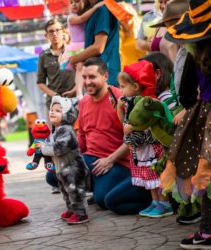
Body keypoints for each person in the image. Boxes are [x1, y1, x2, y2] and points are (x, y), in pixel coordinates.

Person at [157, 0, 211, 246]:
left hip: (207, 114)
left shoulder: (194, 52)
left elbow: (186, 91)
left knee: (206, 172)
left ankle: (208, 231)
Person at [78, 57, 151, 214]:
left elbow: (134, 136)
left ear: (105, 76)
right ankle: (99, 184)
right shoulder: (83, 103)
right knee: (55, 173)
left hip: (119, 163)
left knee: (103, 199)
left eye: (92, 77)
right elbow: (82, 140)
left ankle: (145, 195)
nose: (87, 82)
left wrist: (110, 160)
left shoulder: (121, 98)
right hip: (92, 160)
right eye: (84, 77)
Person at [117, 60, 173, 217]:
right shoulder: (130, 103)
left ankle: (164, 203)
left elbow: (149, 125)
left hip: (151, 147)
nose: (120, 90)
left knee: (155, 174)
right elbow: (124, 124)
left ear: (135, 87)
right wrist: (118, 109)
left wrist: (133, 128)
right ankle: (155, 202)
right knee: (146, 175)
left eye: (122, 86)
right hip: (140, 148)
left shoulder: (149, 103)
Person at [37, 18, 76, 194]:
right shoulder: (44, 56)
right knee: (56, 140)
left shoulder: (73, 50)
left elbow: (80, 72)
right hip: (54, 104)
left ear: (63, 31)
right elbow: (40, 82)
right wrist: (54, 95)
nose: (54, 34)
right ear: (46, 35)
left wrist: (76, 90)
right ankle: (57, 179)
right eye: (51, 31)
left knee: (76, 136)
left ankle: (77, 174)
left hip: (73, 99)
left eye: (57, 30)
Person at [38, 96, 89, 224]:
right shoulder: (55, 131)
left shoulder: (67, 131)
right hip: (62, 169)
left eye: (58, 110)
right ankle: (71, 209)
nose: (52, 112)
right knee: (65, 190)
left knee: (75, 190)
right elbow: (49, 145)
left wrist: (44, 148)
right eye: (52, 109)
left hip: (73, 169)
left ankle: (80, 213)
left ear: (67, 115)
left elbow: (59, 149)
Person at [69, 0, 121, 87]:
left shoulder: (103, 9)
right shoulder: (94, 10)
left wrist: (73, 59)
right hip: (96, 74)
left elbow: (98, 48)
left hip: (104, 74)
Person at [59, 0, 104, 99]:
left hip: (85, 45)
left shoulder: (87, 14)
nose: (74, 4)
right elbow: (82, 19)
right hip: (77, 47)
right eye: (71, 3)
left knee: (84, 68)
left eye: (77, 1)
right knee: (79, 67)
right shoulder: (71, 17)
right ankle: (79, 93)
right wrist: (95, 7)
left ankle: (81, 91)